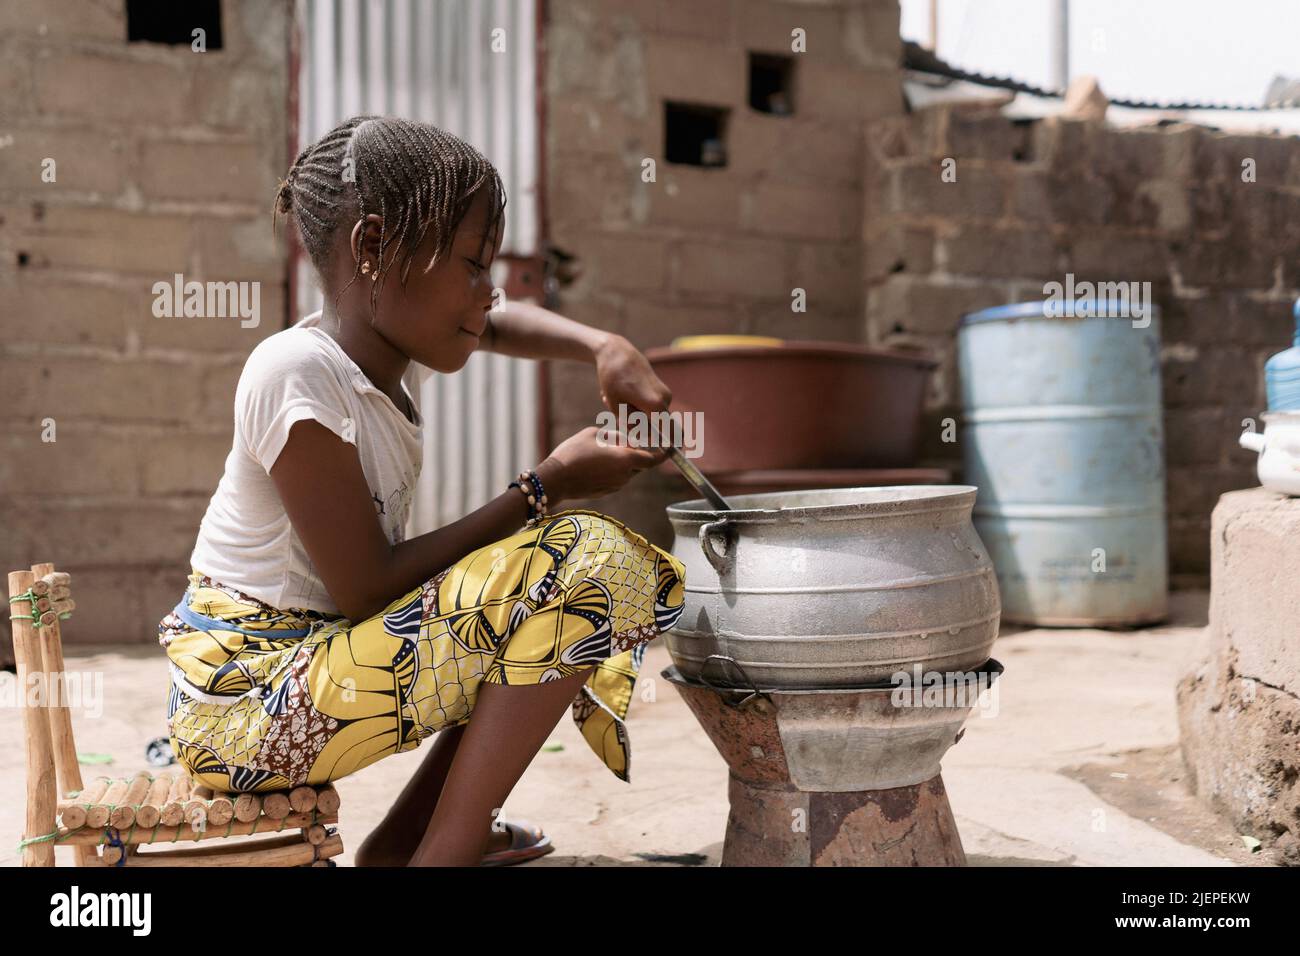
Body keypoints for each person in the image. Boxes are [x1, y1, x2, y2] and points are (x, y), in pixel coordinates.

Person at [157, 115, 687, 867]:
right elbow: (368, 587)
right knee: (583, 566)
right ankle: (447, 851)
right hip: (244, 708)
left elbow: (494, 323)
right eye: (473, 264)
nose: (488, 290)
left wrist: (601, 347)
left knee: (532, 601)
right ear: (373, 247)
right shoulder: (296, 375)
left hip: (307, 678)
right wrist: (547, 485)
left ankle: (405, 846)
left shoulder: (380, 348)